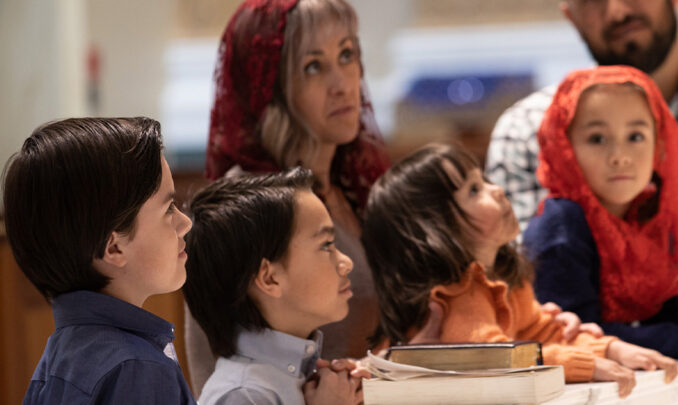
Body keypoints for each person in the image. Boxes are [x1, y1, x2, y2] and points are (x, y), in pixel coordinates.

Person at [484, 0, 678, 317]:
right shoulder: (525, 131)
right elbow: (515, 293)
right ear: (571, 16)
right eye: (591, 1)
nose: (617, 12)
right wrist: (657, 306)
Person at [361, 143, 678, 398]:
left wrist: (611, 348)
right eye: (474, 190)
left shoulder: (501, 276)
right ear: (434, 229)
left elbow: (543, 332)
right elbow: (495, 359)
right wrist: (585, 364)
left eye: (484, 179)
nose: (496, 190)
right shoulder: (457, 295)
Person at [187, 0, 390, 394]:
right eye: (313, 66)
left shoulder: (356, 185)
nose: (342, 83)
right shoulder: (248, 206)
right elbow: (212, 364)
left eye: (347, 55)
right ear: (269, 87)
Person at [523, 66, 678, 375]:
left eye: (636, 136)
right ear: (564, 146)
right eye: (597, 138)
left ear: (658, 144)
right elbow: (578, 338)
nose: (620, 155)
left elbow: (665, 311)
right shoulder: (561, 225)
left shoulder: (645, 213)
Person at [3, 118, 195, 404]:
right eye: (168, 208)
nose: (185, 223)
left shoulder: (63, 354)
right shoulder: (137, 370)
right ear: (114, 247)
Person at [182, 168, 366, 405]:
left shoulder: (299, 377)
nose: (346, 263)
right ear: (270, 279)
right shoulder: (244, 395)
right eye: (326, 245)